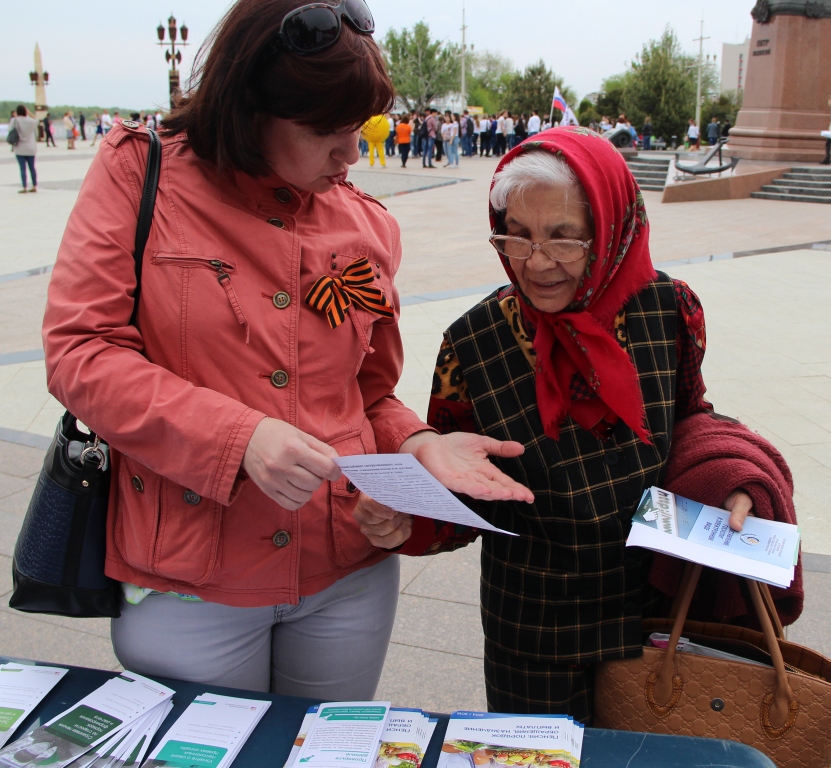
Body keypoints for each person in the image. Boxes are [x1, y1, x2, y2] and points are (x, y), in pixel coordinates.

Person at [42, 0, 529, 700]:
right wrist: (238, 439)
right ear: (249, 110)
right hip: (191, 578)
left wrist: (417, 444)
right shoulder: (138, 173)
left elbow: (367, 393)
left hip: (346, 572)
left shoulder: (367, 225)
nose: (351, 154)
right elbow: (80, 351)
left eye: (356, 128)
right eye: (324, 131)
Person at [353, 126, 801, 722]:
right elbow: (469, 495)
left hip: (655, 614)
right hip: (534, 629)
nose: (536, 262)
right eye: (516, 235)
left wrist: (729, 476)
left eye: (564, 239)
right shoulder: (471, 342)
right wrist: (407, 517)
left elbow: (690, 416)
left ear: (610, 229)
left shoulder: (669, 311)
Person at [10, 105, 38, 194]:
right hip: (30, 148)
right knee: (32, 168)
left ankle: (24, 187)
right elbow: (37, 120)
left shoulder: (14, 120)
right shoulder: (30, 121)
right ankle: (34, 186)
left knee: (22, 168)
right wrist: (29, 113)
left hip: (19, 148)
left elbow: (10, 129)